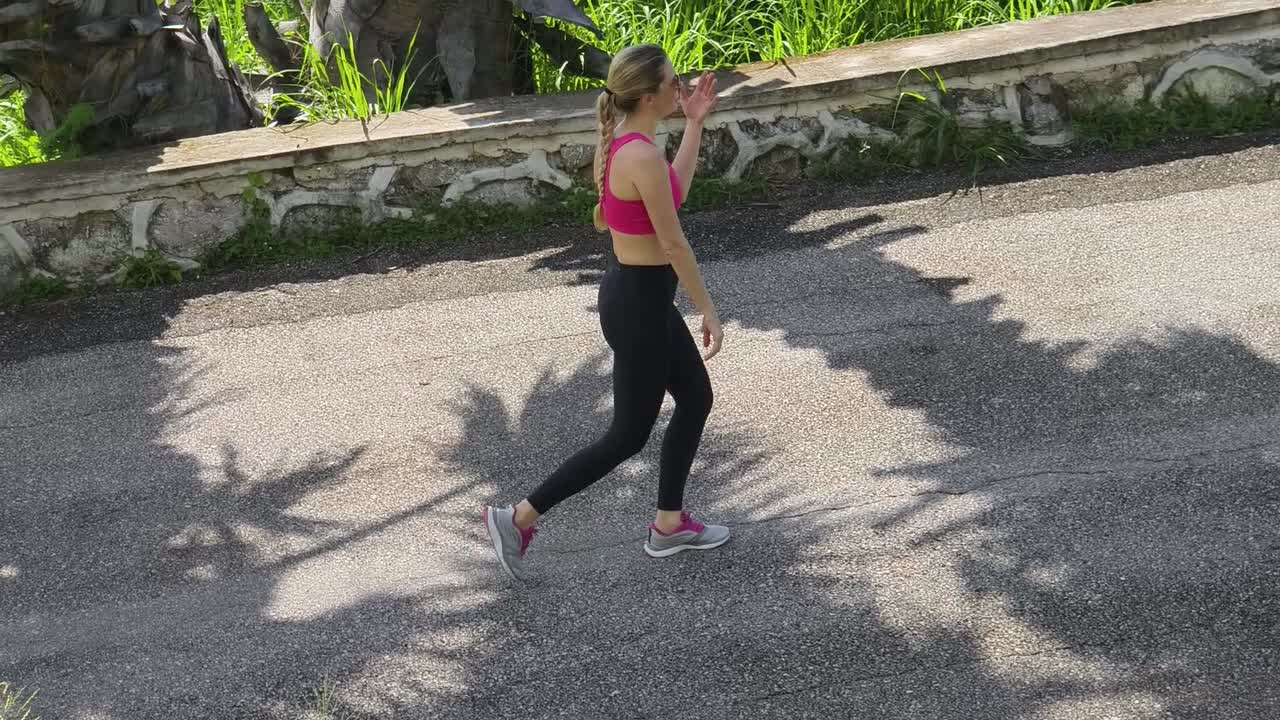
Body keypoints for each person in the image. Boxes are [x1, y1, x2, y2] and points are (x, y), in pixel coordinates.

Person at [482, 44, 728, 582]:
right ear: (647, 95)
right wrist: (706, 306)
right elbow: (674, 243)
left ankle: (668, 523)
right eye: (673, 83)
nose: (680, 88)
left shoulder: (626, 144)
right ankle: (517, 517)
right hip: (640, 303)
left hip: (636, 297)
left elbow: (673, 192)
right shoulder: (637, 154)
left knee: (695, 397)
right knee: (627, 436)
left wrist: (694, 125)